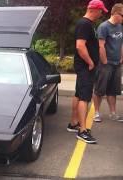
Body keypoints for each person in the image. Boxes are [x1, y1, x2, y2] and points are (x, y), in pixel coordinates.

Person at [67, 0, 107, 144]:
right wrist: (90, 62)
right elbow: (80, 46)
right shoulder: (84, 24)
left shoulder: (87, 24)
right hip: (85, 67)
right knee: (84, 97)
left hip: (84, 67)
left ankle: (73, 123)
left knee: (78, 94)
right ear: (94, 10)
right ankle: (82, 130)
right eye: (100, 11)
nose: (101, 13)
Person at [93, 3, 123, 123]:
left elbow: (121, 43)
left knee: (113, 90)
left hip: (117, 63)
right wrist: (104, 61)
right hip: (105, 64)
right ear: (115, 13)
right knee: (100, 89)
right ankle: (96, 113)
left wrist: (121, 57)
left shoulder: (120, 26)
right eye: (122, 15)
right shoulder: (104, 27)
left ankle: (113, 113)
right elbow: (101, 45)